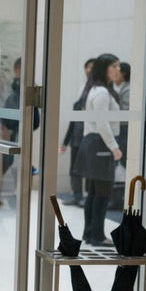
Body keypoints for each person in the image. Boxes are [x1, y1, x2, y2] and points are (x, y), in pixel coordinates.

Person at [77, 53, 123, 247]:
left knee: (95, 193)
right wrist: (114, 147)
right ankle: (97, 235)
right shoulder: (102, 93)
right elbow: (102, 123)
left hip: (93, 143)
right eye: (115, 66)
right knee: (102, 193)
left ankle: (90, 233)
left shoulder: (96, 89)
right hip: (100, 143)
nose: (118, 70)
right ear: (106, 68)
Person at [59, 57, 96, 206]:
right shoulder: (83, 87)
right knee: (74, 168)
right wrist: (65, 142)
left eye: (92, 67)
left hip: (89, 134)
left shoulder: (98, 89)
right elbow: (75, 117)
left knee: (88, 168)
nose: (89, 70)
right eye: (87, 67)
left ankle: (87, 197)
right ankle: (77, 196)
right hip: (77, 133)